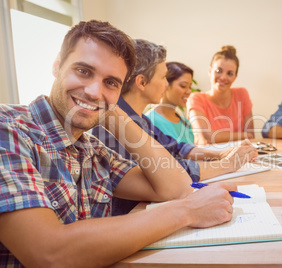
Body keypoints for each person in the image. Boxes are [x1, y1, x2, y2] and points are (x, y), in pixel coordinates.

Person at [0, 20, 238, 267]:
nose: (93, 91)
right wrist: (186, 211)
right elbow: (48, 253)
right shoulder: (9, 130)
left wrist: (110, 112)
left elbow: (174, 188)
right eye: (83, 71)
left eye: (111, 82)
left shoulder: (92, 150)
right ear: (58, 65)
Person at [92, 39, 257, 215]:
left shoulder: (140, 119)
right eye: (163, 77)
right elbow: (162, 172)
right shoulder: (115, 125)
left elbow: (177, 148)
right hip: (132, 217)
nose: (166, 84)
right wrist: (227, 164)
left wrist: (220, 154)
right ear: (141, 82)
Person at [187, 45, 255, 145]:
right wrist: (244, 135)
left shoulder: (242, 94)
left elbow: (251, 135)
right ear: (210, 71)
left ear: (235, 77)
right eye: (219, 71)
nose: (223, 77)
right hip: (210, 158)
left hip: (240, 155)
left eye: (230, 73)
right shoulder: (196, 99)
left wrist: (246, 136)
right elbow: (207, 137)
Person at [145, 61, 195, 144]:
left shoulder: (185, 123)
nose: (189, 91)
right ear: (165, 84)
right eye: (183, 86)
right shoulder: (150, 121)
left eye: (190, 87)